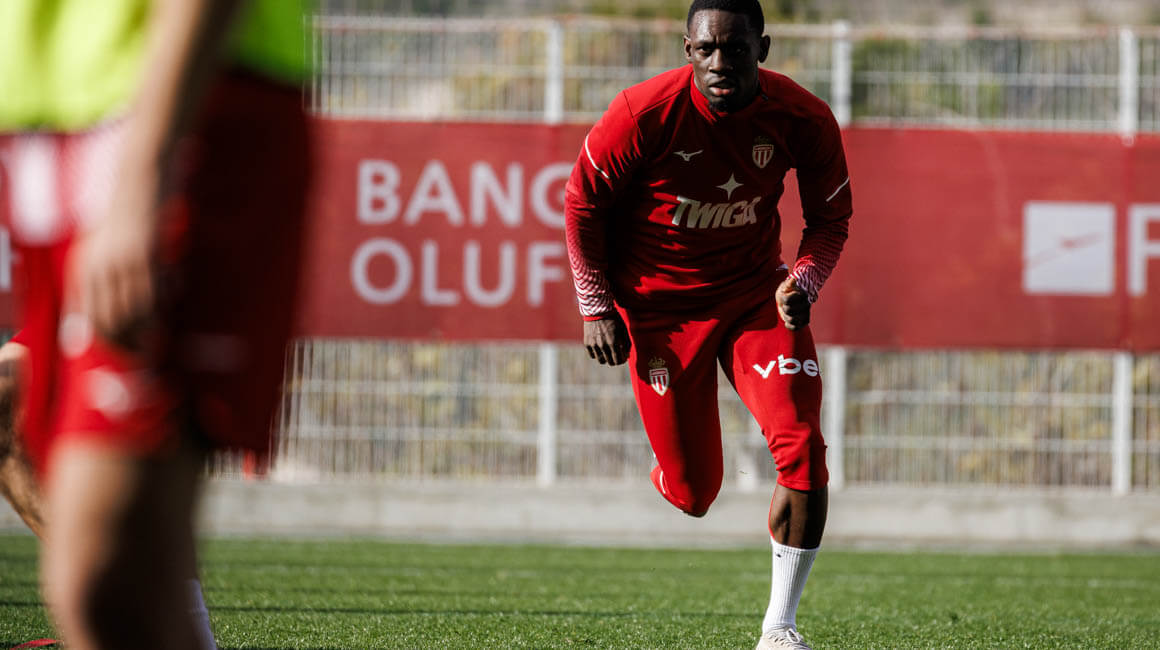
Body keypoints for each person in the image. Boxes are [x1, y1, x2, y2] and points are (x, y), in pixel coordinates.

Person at [0, 0, 311, 648]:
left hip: (167, 114)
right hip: (53, 128)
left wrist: (145, 171)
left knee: (106, 583)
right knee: (104, 587)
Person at [564, 1, 852, 648]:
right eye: (706, 50)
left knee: (803, 448)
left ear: (763, 49)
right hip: (661, 312)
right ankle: (673, 461)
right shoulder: (641, 113)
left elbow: (830, 221)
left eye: (736, 49)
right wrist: (596, 305)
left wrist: (803, 283)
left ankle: (780, 629)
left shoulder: (802, 117)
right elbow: (583, 204)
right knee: (694, 494)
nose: (721, 63)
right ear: (687, 50)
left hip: (757, 298)